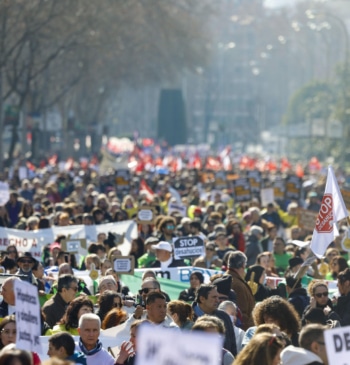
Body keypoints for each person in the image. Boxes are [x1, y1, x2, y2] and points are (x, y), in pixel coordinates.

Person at [192, 284, 237, 356]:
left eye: (218, 297)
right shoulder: (187, 316)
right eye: (214, 297)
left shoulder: (224, 317)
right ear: (202, 299)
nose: (218, 300)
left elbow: (232, 346)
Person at [226, 251, 255, 330]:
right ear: (243, 265)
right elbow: (242, 314)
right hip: (241, 331)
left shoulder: (226, 279)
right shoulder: (237, 285)